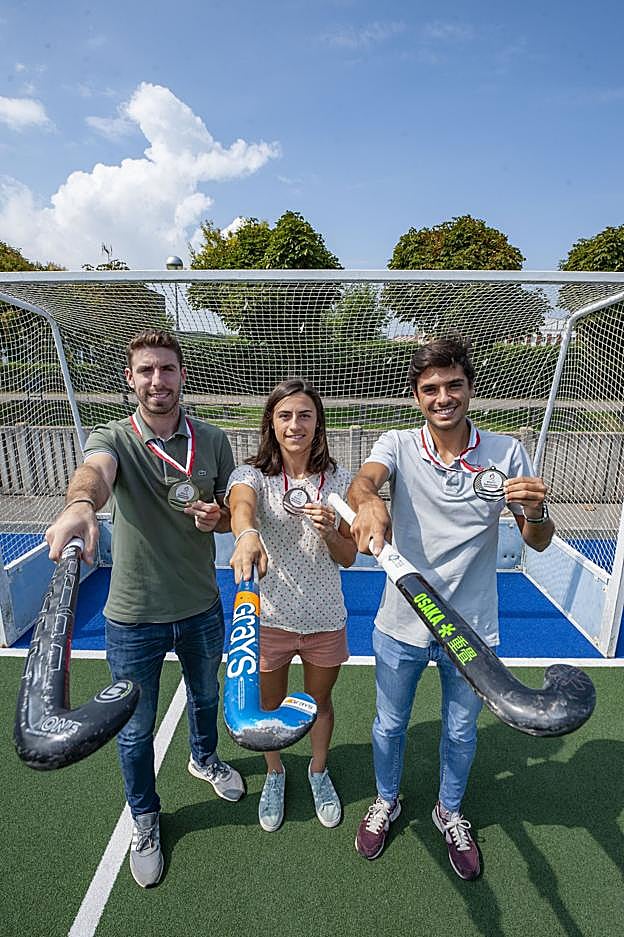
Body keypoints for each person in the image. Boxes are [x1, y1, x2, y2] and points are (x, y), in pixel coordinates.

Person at [348, 336, 554, 880]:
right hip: (401, 622)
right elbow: (363, 480)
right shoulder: (396, 442)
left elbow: (537, 541)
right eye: (431, 388)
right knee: (390, 725)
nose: (443, 397)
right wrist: (368, 502)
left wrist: (533, 512)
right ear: (417, 396)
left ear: (469, 388)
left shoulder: (507, 451)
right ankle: (386, 800)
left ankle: (449, 811)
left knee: (461, 732)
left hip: (471, 630)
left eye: (453, 385)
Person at [45, 329, 244, 888]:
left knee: (207, 699)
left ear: (183, 375)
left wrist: (220, 518)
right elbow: (95, 474)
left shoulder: (212, 438)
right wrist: (81, 504)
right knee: (134, 733)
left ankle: (203, 759)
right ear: (131, 379)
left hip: (202, 606)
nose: (157, 380)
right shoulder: (115, 438)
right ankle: (146, 816)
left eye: (167, 369)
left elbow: (234, 508)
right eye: (146, 371)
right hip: (132, 616)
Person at [226, 378, 356, 832]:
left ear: (318, 422)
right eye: (285, 415)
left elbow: (349, 556)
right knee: (269, 704)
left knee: (319, 702)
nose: (295, 424)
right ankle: (275, 773)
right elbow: (241, 507)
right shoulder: (252, 475)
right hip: (271, 619)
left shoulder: (340, 480)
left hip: (324, 618)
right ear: (271, 423)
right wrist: (247, 534)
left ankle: (318, 771)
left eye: (304, 415)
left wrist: (330, 530)